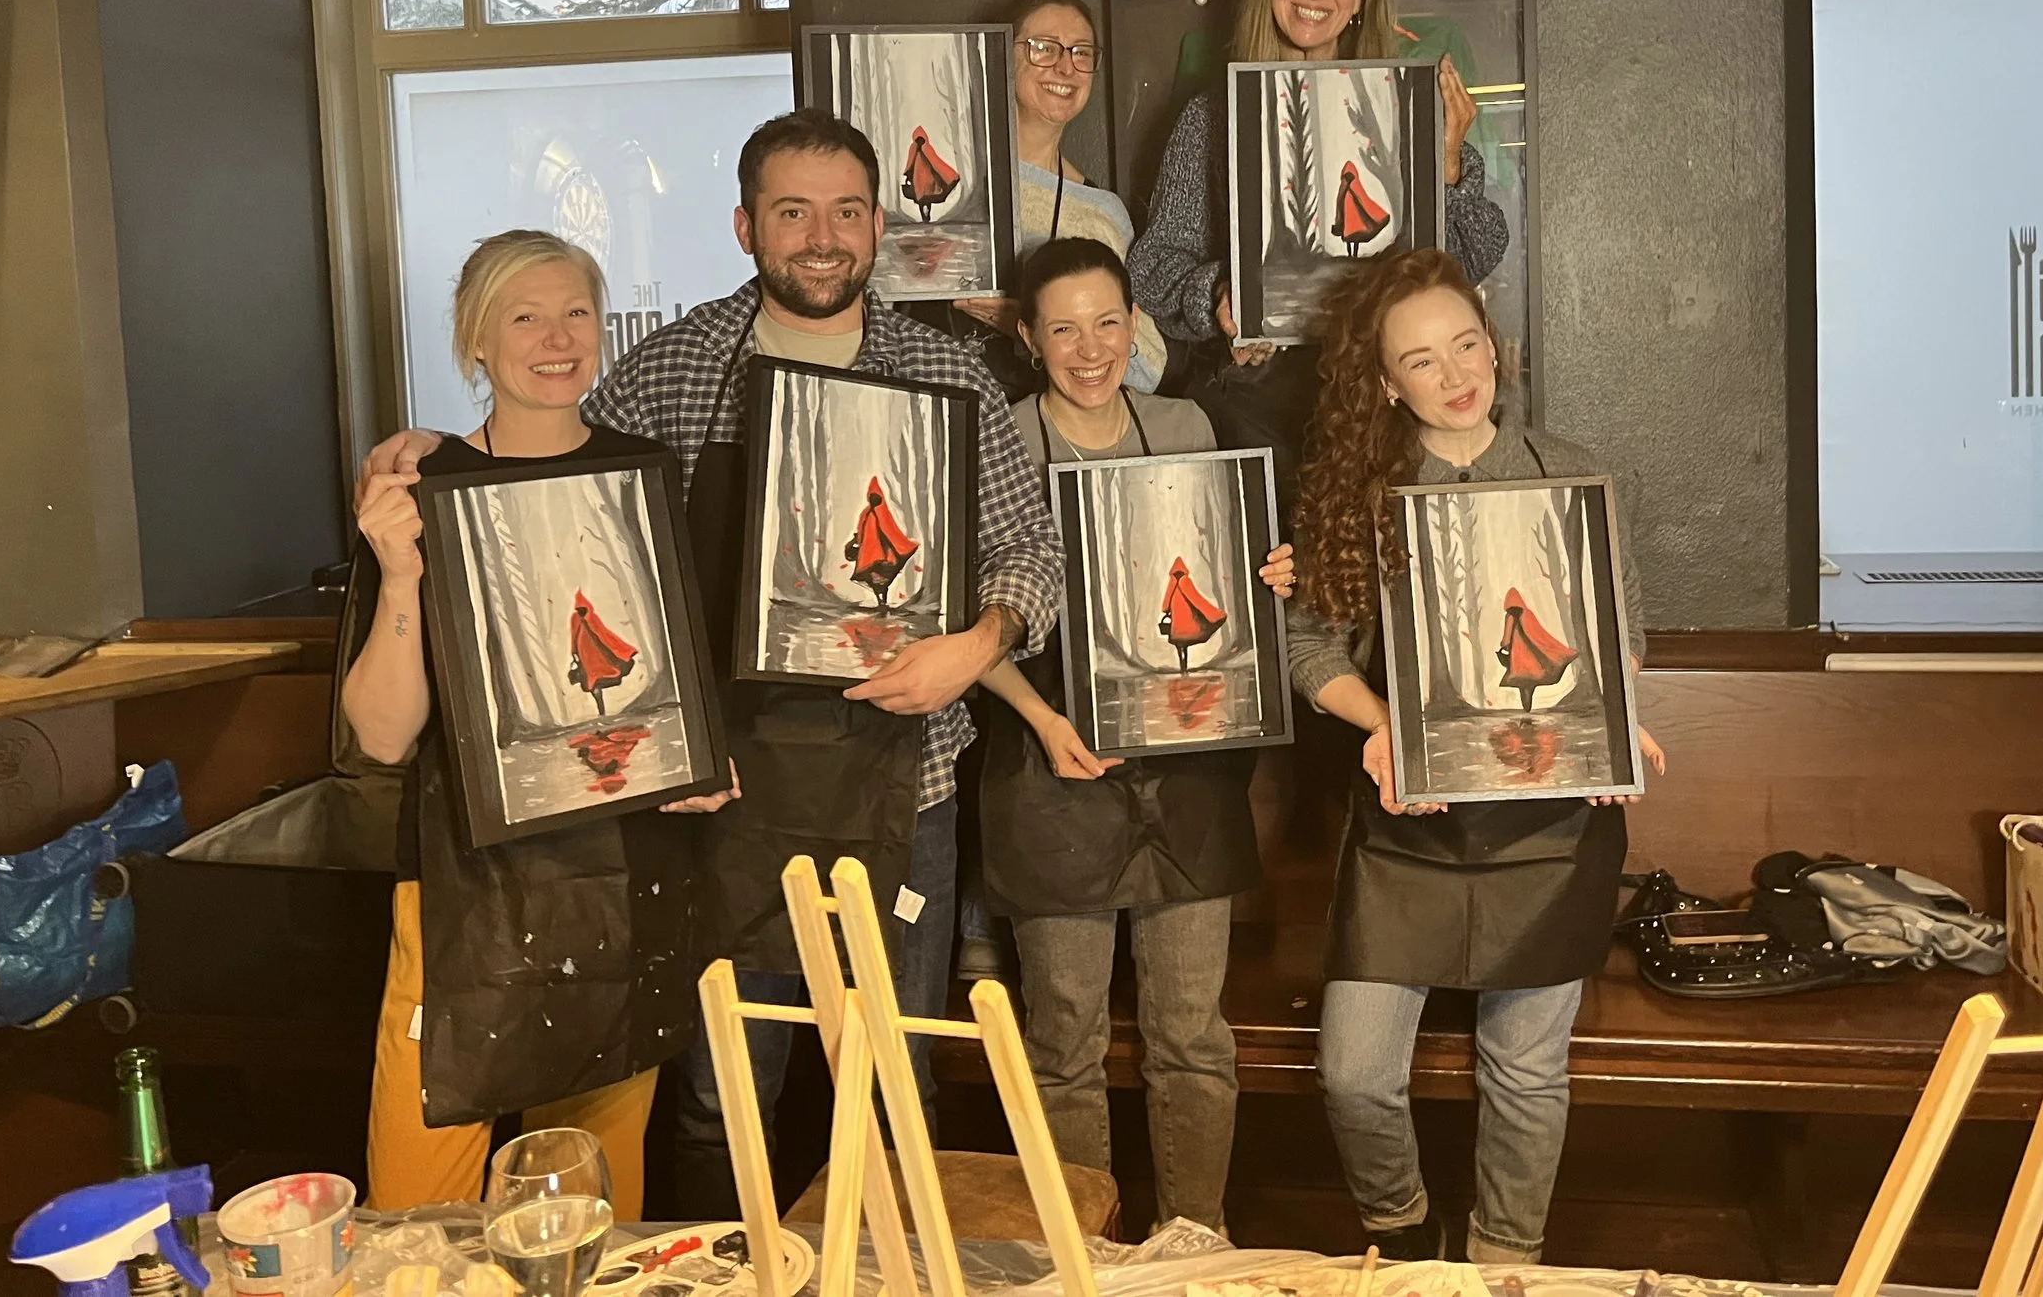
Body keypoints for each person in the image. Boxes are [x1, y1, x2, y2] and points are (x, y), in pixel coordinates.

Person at [364, 110, 1065, 1216]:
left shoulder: (948, 373)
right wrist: (434, 456)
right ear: (747, 227)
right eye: (793, 212)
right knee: (718, 1089)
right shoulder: (671, 369)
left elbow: (1033, 549)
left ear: (877, 226)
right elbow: (555, 494)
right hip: (720, 794)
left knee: (893, 1080)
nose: (821, 237)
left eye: (845, 212)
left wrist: (973, 647)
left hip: (910, 780)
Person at [345, 229, 736, 1219]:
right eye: (525, 316)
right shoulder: (417, 492)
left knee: (591, 1212)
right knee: (418, 1216)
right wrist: (400, 574)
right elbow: (383, 736)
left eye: (576, 314)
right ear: (475, 339)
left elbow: (675, 678)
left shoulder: (646, 475)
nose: (556, 339)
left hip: (621, 876)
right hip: (462, 892)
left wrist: (698, 759)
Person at [1287, 247, 1666, 1265]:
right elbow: (1310, 648)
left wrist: (1606, 718)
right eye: (1420, 359)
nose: (1454, 374)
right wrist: (1388, 730)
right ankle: (1406, 1238)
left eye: (1465, 345)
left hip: (1550, 826)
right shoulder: (1357, 492)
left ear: (1493, 345)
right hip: (1408, 821)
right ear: (1384, 382)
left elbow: (1620, 632)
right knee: (1354, 1073)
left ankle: (1504, 1262)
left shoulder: (1573, 473)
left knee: (1526, 1070)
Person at [971, 236, 1293, 1234]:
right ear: (1028, 338)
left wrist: (1267, 576)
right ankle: (1088, 1253)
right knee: (1064, 1036)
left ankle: (1194, 1239)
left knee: (1192, 1032)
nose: (1090, 348)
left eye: (1108, 322)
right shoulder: (999, 443)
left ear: (1135, 325)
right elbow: (961, 626)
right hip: (1047, 769)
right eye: (1063, 328)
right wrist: (1042, 719)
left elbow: (1222, 585)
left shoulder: (1187, 424)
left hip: (1187, 771)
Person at [1127, 0, 1507, 512]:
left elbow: (1471, 261)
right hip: (1256, 406)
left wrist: (1446, 164)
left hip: (1388, 401)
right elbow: (1151, 268)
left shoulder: (1407, 111)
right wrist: (1219, 297)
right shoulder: (1211, 119)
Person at [951, 0, 1168, 397]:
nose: (1066, 67)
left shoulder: (1102, 212)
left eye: (1081, 53)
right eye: (1044, 48)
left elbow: (1149, 366)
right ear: (1001, 55)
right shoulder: (945, 186)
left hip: (1052, 421)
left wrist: (1038, 325)